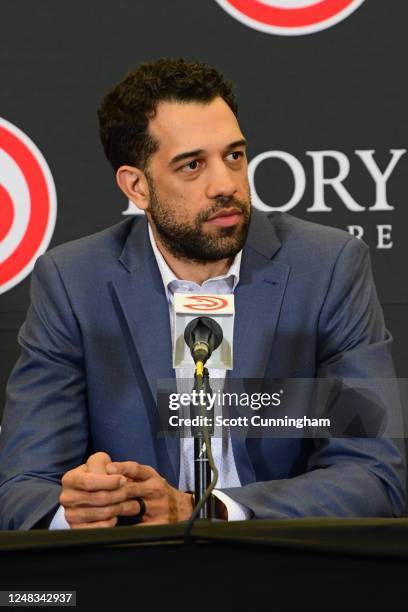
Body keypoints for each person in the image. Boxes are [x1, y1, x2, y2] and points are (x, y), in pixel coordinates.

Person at [0, 58, 405, 530]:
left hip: (279, 561)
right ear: (137, 186)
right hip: (135, 572)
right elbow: (23, 485)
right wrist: (82, 508)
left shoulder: (327, 268)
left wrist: (207, 510)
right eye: (192, 165)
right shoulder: (74, 283)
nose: (226, 184)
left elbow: (374, 474)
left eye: (234, 155)